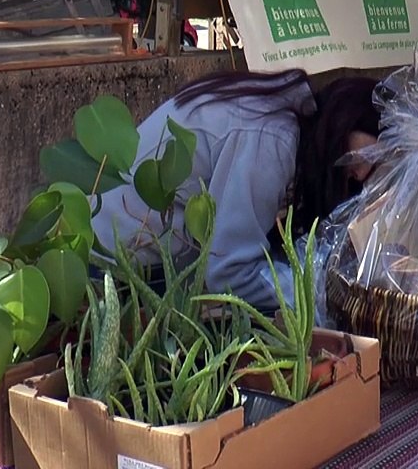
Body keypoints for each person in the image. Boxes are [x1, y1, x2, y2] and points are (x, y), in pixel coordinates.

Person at [92, 70, 381, 309]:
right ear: (345, 121)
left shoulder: (282, 105)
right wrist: (321, 293)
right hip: (111, 269)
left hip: (114, 248)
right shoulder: (273, 139)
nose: (361, 172)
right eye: (366, 157)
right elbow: (230, 272)